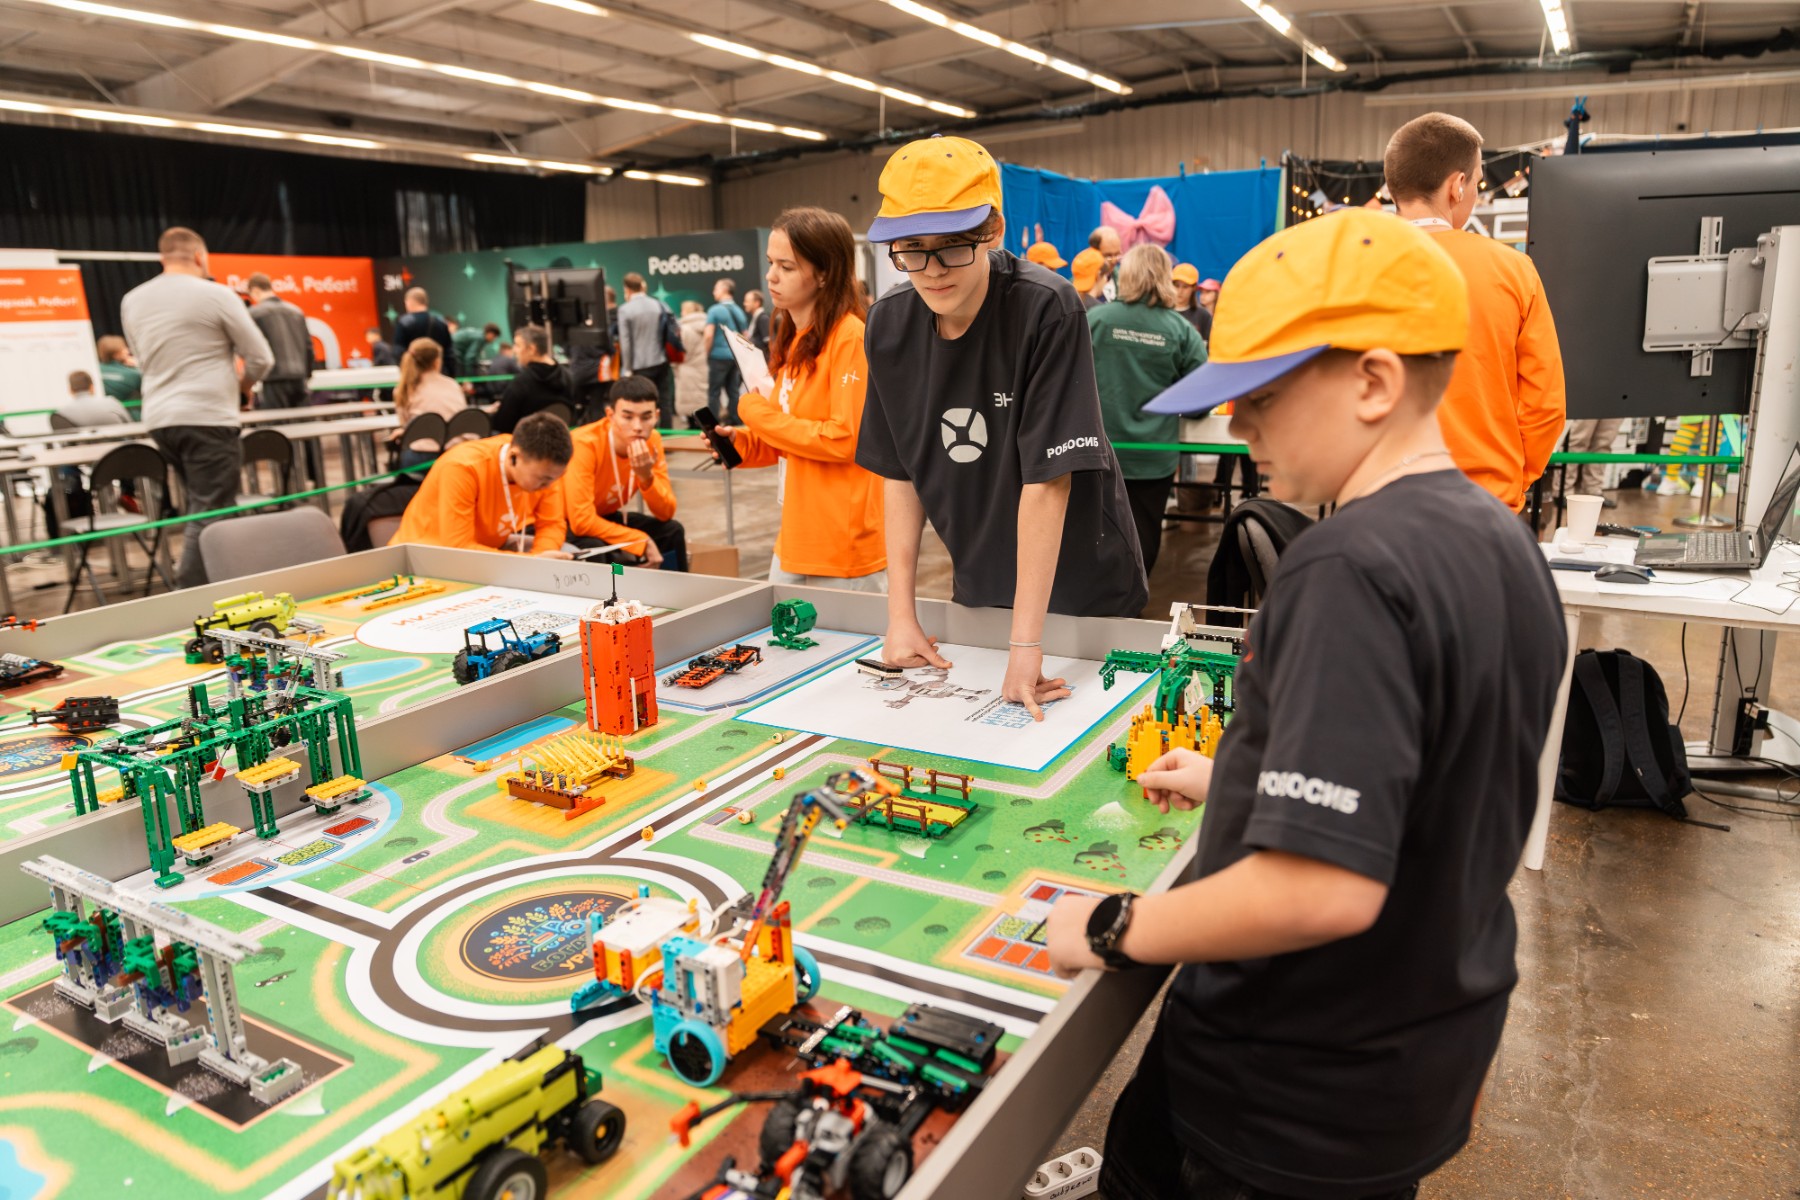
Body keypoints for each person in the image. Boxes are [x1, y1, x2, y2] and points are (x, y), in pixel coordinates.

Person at [1045, 208, 1566, 1200]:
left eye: (1263, 397)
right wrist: (1241, 777)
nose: (1240, 429)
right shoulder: (1500, 541)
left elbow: (1323, 888)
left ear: (1373, 381)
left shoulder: (1347, 567)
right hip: (1407, 1057)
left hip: (1287, 1085)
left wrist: (1113, 926)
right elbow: (1435, 777)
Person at [860, 135, 1147, 718]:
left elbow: (1048, 482)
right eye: (911, 250)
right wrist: (900, 614)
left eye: (952, 247)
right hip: (982, 580)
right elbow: (900, 474)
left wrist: (1025, 644)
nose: (932, 271)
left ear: (993, 230)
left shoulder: (1046, 307)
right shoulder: (888, 325)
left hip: (1079, 583)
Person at [1384, 111, 1566, 513]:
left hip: (1376, 501)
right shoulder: (1513, 269)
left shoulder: (1350, 268)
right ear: (1457, 185)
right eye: (1478, 182)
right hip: (1483, 501)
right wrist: (1511, 478)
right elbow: (1545, 406)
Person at [724, 206, 886, 591]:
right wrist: (740, 444)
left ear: (824, 273)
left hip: (842, 548)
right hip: (797, 537)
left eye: (787, 266)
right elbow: (792, 438)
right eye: (771, 263)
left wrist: (753, 411)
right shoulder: (798, 339)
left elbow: (843, 439)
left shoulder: (849, 338)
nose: (771, 276)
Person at [121, 226, 274, 589]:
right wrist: (242, 390)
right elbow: (261, 358)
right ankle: (187, 596)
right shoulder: (216, 294)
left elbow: (141, 358)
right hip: (207, 416)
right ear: (199, 256)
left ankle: (222, 588)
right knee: (211, 512)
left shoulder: (132, 299)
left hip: (160, 419)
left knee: (201, 507)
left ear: (162, 257)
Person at [1088, 245, 1206, 580]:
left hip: (1099, 454)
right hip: (1154, 456)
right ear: (1164, 278)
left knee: (1094, 533)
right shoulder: (1180, 330)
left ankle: (1098, 599)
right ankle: (1133, 595)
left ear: (1126, 274)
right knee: (1145, 534)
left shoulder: (1095, 321)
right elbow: (1202, 395)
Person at [392, 412, 571, 556]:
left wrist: (541, 558)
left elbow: (552, 524)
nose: (549, 486)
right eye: (543, 479)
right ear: (513, 457)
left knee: (567, 551)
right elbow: (458, 547)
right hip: (430, 555)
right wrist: (530, 562)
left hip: (486, 549)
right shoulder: (463, 468)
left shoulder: (545, 468)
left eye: (555, 478)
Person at [563, 376, 686, 570]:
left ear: (657, 416)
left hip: (605, 516)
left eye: (646, 417)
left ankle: (673, 587)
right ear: (610, 415)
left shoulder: (652, 440)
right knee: (596, 547)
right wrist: (639, 540)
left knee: (672, 531)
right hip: (564, 522)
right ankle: (615, 589)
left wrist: (646, 477)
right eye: (628, 417)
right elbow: (581, 521)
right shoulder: (584, 444)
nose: (637, 427)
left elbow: (666, 512)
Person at [391, 338, 469, 468]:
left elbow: (405, 424)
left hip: (422, 458)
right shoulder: (452, 384)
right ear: (437, 361)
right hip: (458, 454)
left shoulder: (403, 390)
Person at [615, 272, 675, 428]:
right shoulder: (658, 304)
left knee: (643, 403)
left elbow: (625, 341)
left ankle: (650, 434)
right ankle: (669, 432)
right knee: (665, 399)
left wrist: (627, 368)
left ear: (626, 288)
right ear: (642, 286)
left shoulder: (625, 310)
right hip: (661, 360)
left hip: (639, 365)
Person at [245, 273, 313, 409]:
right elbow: (308, 347)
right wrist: (307, 374)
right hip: (299, 378)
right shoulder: (296, 311)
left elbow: (252, 348)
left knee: (277, 421)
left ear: (255, 290)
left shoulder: (255, 313)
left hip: (274, 379)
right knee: (303, 420)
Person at [491, 325, 572, 434]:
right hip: (559, 440)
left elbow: (503, 425)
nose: (514, 350)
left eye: (517, 345)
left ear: (531, 349)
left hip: (527, 443)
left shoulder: (520, 384)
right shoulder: (568, 377)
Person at [703, 277, 750, 422]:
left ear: (724, 289)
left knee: (714, 392)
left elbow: (708, 335)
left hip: (718, 357)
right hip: (735, 358)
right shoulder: (739, 311)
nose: (713, 292)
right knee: (733, 391)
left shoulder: (714, 310)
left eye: (716, 288)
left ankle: (713, 425)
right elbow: (745, 336)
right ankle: (736, 421)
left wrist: (706, 353)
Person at [395, 288, 456, 376]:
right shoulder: (440, 322)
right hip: (439, 374)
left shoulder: (404, 322)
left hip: (415, 375)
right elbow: (449, 354)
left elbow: (399, 352)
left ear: (409, 302)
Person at [58, 370, 131, 426]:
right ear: (92, 387)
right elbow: (130, 425)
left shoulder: (62, 413)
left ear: (70, 390)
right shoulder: (111, 402)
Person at [675, 300, 709, 421]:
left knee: (689, 402)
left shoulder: (684, 329)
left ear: (686, 311)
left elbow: (681, 352)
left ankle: (691, 424)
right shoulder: (707, 326)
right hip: (704, 367)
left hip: (687, 370)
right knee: (702, 398)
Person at [1171, 263, 1212, 341]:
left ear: (1194, 288)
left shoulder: (1203, 316)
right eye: (1176, 286)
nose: (1180, 291)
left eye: (1185, 287)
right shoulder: (1163, 311)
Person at [95, 335, 141, 402]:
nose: (128, 350)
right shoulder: (133, 373)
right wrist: (137, 366)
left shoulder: (95, 369)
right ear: (117, 353)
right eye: (124, 347)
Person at [1089, 224, 1122, 300]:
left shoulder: (1126, 281)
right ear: (1093, 252)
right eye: (1108, 256)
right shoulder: (1078, 286)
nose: (1114, 261)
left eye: (1117, 254)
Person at [744, 289, 771, 356]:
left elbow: (768, 342)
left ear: (757, 303)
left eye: (747, 301)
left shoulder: (763, 319)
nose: (745, 304)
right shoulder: (757, 318)